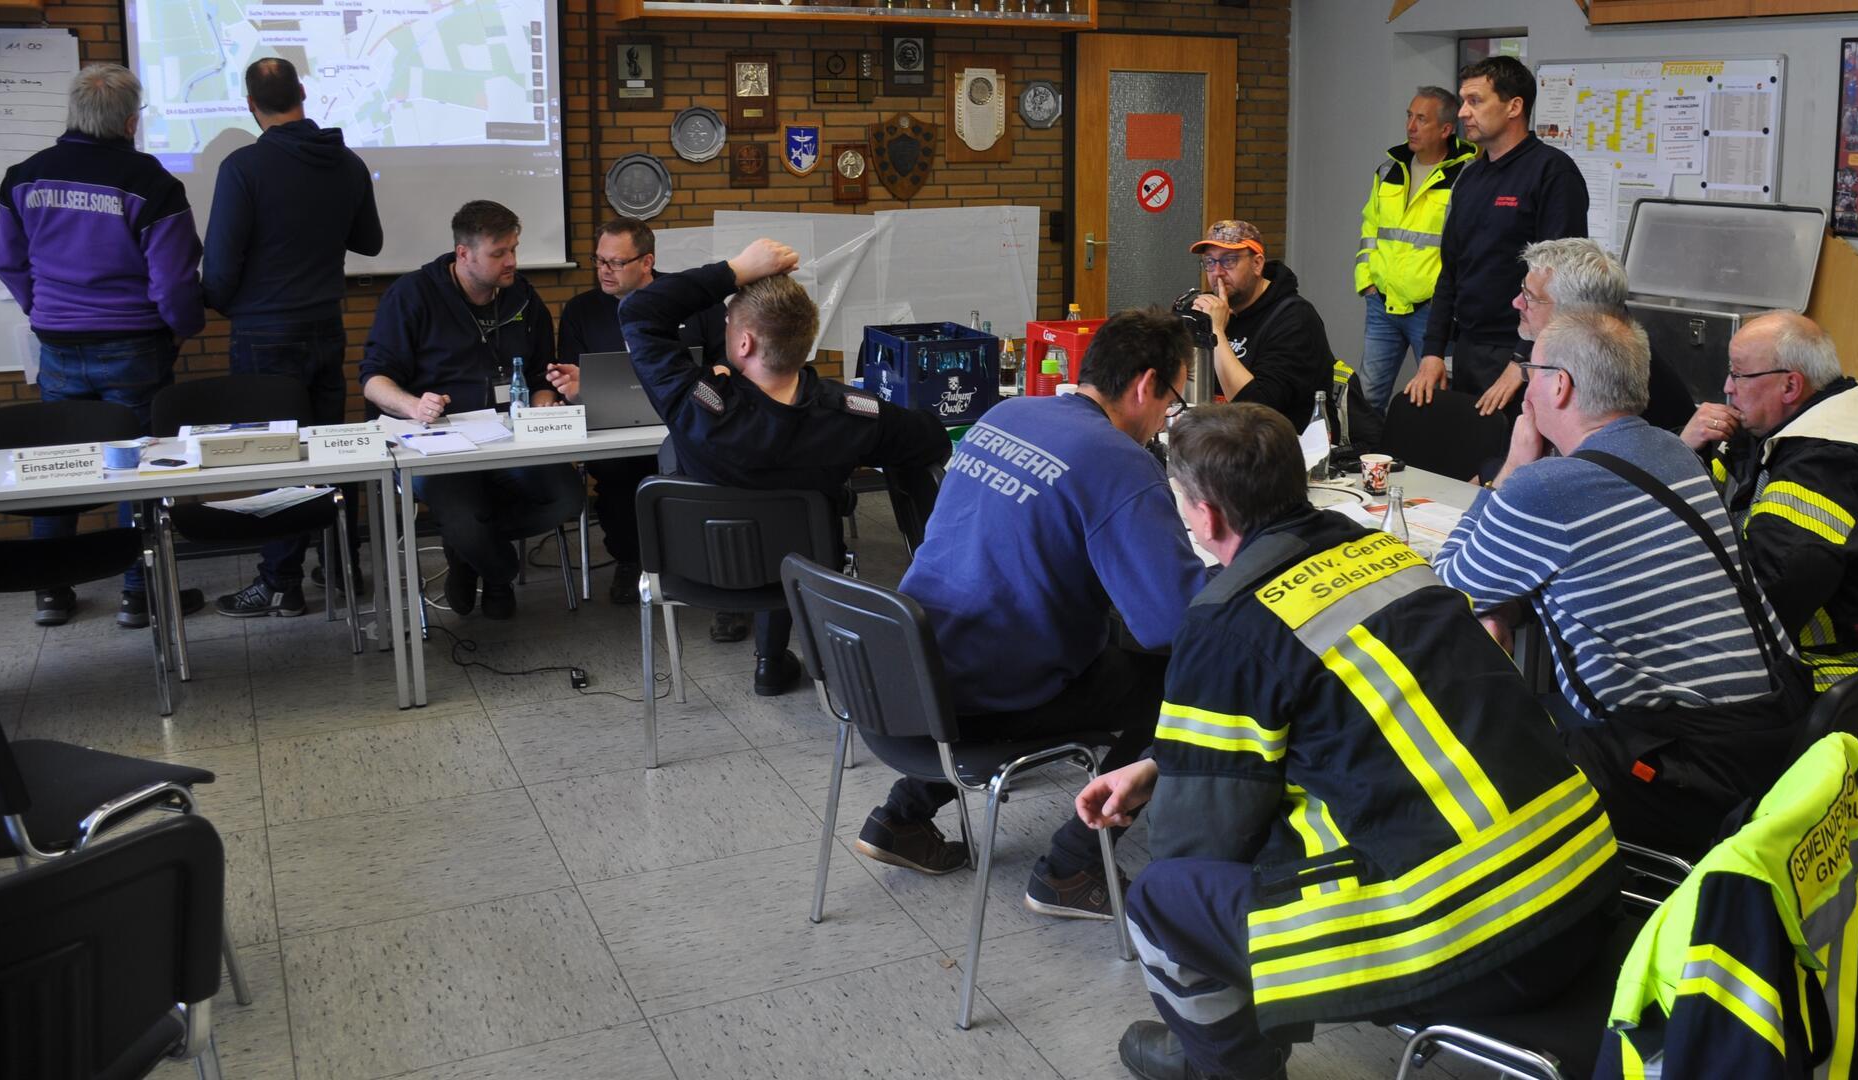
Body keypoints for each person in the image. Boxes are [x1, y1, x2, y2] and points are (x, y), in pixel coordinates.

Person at [1078, 402, 1618, 1080]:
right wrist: (1166, 762)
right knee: (1276, 818)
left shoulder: (1227, 624)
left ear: (1206, 515)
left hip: (1480, 942)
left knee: (1167, 897)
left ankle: (1218, 1060)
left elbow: (1198, 839)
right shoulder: (1386, 555)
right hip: (1583, 890)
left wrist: (1183, 782)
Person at [856, 308, 1209, 920]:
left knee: (1030, 642)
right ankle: (1071, 868)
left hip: (901, 674)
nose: (1164, 418)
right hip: (984, 693)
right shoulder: (1122, 463)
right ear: (1147, 384)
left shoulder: (1007, 413)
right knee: (1177, 684)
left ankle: (901, 818)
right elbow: (1170, 622)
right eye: (1173, 398)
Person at [1433, 311, 1800, 855]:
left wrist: (1513, 464)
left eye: (1530, 369)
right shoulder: (1671, 450)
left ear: (1559, 385)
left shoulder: (1547, 488)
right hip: (1770, 735)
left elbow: (1448, 591)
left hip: (1678, 771)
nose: (1524, 386)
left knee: (1477, 745)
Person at [618, 238, 950, 695]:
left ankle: (769, 660)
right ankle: (770, 662)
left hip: (695, 573)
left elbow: (639, 312)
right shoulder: (849, 416)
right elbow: (929, 437)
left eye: (729, 324)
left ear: (744, 341)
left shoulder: (695, 408)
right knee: (790, 531)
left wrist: (733, 270)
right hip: (804, 577)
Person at [0, 63, 206, 629]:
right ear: (132, 122)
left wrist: (43, 310)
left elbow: (8, 260)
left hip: (58, 345)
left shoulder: (21, 178)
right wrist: (184, 326)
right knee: (135, 465)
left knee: (54, 466)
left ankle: (48, 591)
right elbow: (174, 280)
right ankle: (140, 595)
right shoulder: (152, 184)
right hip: (135, 345)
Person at [202, 57, 382, 619]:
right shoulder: (346, 162)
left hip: (262, 333)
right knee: (330, 451)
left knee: (274, 460)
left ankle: (280, 583)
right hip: (326, 326)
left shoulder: (243, 168)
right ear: (303, 94)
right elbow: (370, 242)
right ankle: (341, 566)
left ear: (251, 106)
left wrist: (224, 303)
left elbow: (220, 270)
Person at [1680, 311, 1858, 726]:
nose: (1726, 388)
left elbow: (1769, 596)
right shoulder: (1819, 419)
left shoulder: (1824, 462)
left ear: (1790, 384)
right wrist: (1686, 451)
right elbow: (1727, 488)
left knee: (1683, 704)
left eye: (1738, 375)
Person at [360, 200, 583, 619]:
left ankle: (466, 553)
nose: (511, 262)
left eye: (514, 249)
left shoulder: (522, 297)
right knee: (467, 520)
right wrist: (412, 404)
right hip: (440, 441)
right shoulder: (413, 295)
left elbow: (539, 374)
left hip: (509, 440)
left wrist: (543, 404)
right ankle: (496, 572)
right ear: (464, 254)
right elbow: (373, 379)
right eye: (499, 253)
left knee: (568, 500)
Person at [545, 217, 725, 607]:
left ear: (647, 262)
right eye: (599, 261)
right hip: (613, 431)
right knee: (617, 476)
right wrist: (575, 387)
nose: (604, 271)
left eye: (615, 263)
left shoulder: (692, 301)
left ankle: (712, 574)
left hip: (688, 421)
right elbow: (572, 380)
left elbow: (724, 361)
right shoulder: (583, 310)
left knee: (703, 471)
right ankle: (631, 559)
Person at [1405, 55, 1589, 417]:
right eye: (1463, 101)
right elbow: (1451, 271)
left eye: (1475, 101)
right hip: (1470, 348)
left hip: (1524, 352)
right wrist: (1432, 353)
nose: (1462, 113)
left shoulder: (1552, 173)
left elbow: (1558, 281)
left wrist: (1522, 361)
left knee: (1510, 464)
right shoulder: (1470, 177)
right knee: (1468, 460)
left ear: (1513, 107)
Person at [1353, 87, 1476, 414]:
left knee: (1435, 397)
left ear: (1446, 129)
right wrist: (1366, 280)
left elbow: (1466, 245)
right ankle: (1364, 460)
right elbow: (1370, 229)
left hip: (1432, 310)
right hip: (1383, 303)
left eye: (1422, 119)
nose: (1411, 126)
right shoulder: (1388, 170)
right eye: (1409, 116)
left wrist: (1446, 301)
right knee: (1367, 397)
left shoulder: (1466, 176)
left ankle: (1433, 464)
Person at [1509, 238, 1693, 433]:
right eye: (1522, 289)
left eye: (1529, 296)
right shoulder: (1581, 355)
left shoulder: (1609, 382)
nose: (1516, 302)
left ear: (1572, 314)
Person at [1187, 220, 1334, 434]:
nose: (1217, 272)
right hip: (1222, 443)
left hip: (1280, 450)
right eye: (1209, 262)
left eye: (1228, 261)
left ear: (1257, 264)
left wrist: (1216, 333)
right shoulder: (1214, 310)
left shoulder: (1295, 319)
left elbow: (1258, 410)